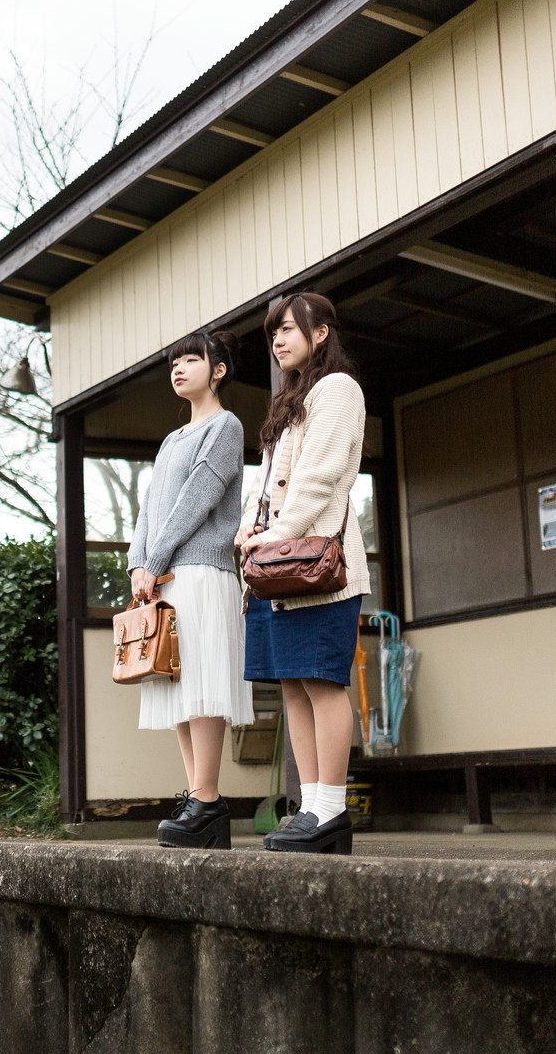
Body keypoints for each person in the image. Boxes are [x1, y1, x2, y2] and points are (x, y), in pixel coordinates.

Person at [236, 292, 369, 855]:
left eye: (288, 329)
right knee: (293, 684)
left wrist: (270, 536)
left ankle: (332, 811)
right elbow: (266, 485)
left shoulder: (338, 389)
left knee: (321, 682)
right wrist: (247, 529)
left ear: (320, 333)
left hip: (314, 566)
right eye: (273, 334)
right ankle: (310, 806)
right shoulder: (291, 400)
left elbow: (317, 480)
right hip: (277, 568)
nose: (278, 340)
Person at [127, 328, 254, 850]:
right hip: (165, 577)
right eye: (173, 362)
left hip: (200, 573)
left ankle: (206, 799)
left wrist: (154, 560)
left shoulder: (225, 426)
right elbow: (150, 507)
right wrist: (138, 562)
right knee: (177, 686)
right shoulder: (171, 439)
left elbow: (201, 495)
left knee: (201, 685)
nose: (178, 369)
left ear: (217, 370)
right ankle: (200, 802)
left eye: (190, 360)